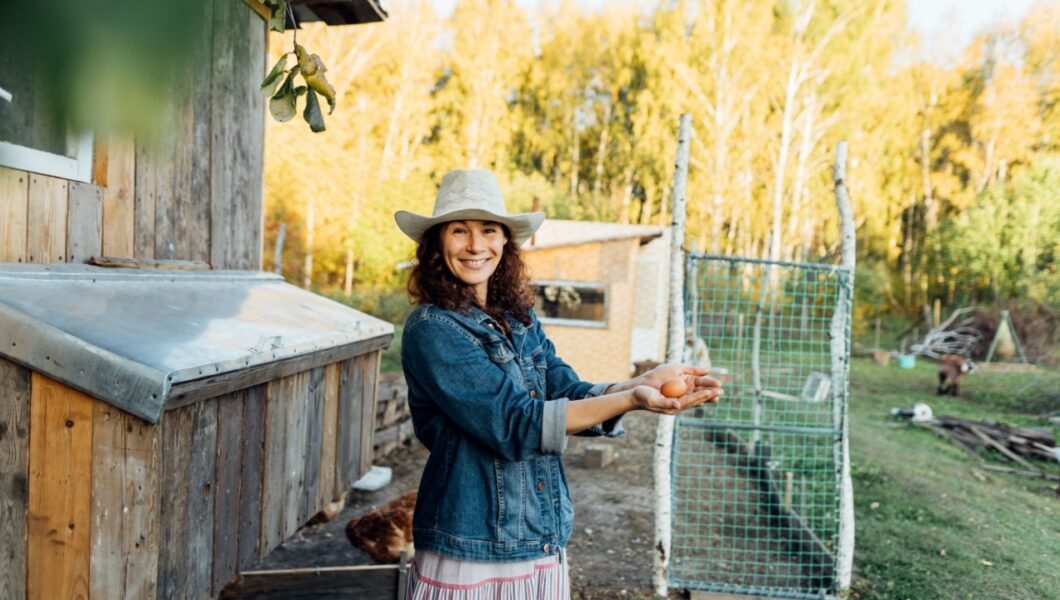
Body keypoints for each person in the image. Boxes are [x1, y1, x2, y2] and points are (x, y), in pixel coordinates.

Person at [394, 168, 723, 599]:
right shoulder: (432, 329)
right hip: (473, 545)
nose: (476, 245)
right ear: (437, 243)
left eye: (489, 230)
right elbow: (514, 424)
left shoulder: (519, 319)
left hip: (539, 531)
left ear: (505, 242)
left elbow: (564, 391)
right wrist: (635, 399)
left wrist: (640, 382)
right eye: (459, 231)